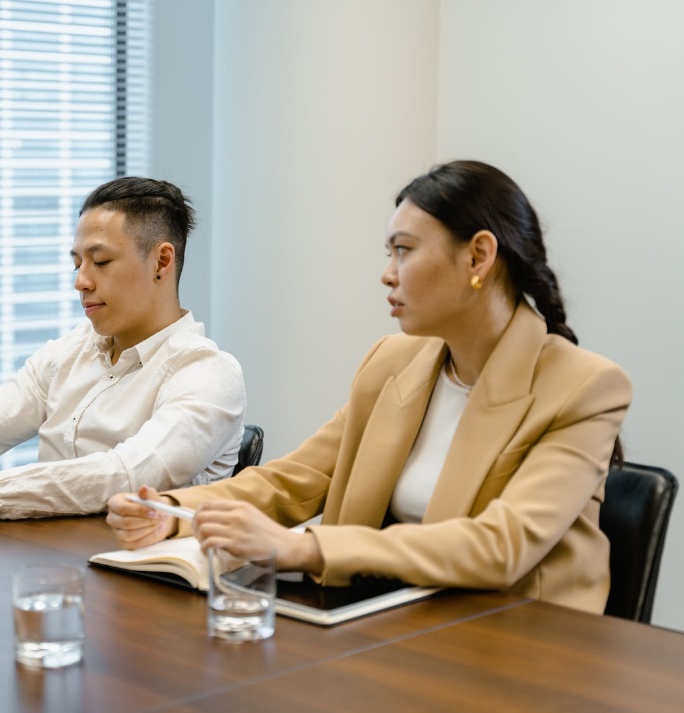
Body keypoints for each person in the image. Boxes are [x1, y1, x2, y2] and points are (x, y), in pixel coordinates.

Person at [106, 160, 631, 614]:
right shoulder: (394, 361)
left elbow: (502, 545)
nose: (387, 274)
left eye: (403, 251)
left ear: (478, 257)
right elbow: (296, 479)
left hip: (520, 645)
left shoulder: (588, 387)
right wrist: (175, 512)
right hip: (394, 622)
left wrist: (307, 548)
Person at [0, 177, 245, 533]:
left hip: (142, 581)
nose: (81, 281)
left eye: (100, 262)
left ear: (161, 261)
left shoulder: (208, 375)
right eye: (77, 263)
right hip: (46, 553)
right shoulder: (73, 350)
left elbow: (121, 477)